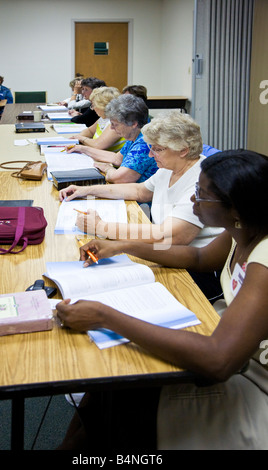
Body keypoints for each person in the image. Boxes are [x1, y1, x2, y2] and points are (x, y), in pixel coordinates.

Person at [56, 150, 268, 450]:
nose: (193, 200)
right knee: (105, 391)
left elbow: (219, 360)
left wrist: (105, 317)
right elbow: (199, 256)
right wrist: (124, 246)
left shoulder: (264, 259)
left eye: (201, 195)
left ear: (235, 209)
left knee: (122, 398)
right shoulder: (243, 228)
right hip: (233, 350)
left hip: (254, 383)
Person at [60, 111, 222, 247]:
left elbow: (171, 237)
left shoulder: (200, 181)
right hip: (165, 248)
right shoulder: (171, 167)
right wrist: (86, 190)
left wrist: (101, 227)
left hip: (188, 265)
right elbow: (139, 191)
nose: (151, 155)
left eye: (157, 149)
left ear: (183, 151)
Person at [63, 94, 158, 184]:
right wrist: (82, 149)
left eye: (115, 124)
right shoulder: (135, 134)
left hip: (137, 200)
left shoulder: (145, 142)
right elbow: (117, 158)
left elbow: (119, 179)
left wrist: (107, 168)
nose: (111, 128)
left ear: (133, 123)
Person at [67, 86, 126, 152]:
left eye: (94, 105)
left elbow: (98, 145)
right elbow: (90, 131)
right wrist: (75, 138)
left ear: (103, 105)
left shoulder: (117, 123)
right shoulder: (104, 118)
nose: (93, 108)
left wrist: (81, 138)